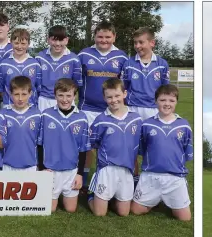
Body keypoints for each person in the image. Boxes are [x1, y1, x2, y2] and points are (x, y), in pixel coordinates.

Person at [77, 21, 129, 190]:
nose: (104, 40)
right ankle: (83, 179)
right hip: (87, 108)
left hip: (112, 109)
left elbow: (124, 86)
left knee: (110, 145)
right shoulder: (84, 54)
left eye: (108, 37)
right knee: (86, 146)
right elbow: (76, 82)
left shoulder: (122, 57)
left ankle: (105, 179)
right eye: (100, 36)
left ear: (114, 36)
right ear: (95, 36)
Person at [132, 84, 195, 221]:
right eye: (162, 100)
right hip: (151, 175)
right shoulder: (147, 124)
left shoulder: (184, 125)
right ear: (156, 101)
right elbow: (142, 149)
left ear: (176, 102)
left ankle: (170, 196)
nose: (167, 104)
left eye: (171, 101)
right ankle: (156, 198)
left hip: (174, 177)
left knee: (185, 218)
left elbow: (186, 151)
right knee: (136, 211)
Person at [86, 78, 142, 217]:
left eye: (117, 96)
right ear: (104, 98)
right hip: (107, 169)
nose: (114, 100)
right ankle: (91, 196)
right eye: (109, 97)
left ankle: (109, 198)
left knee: (124, 213)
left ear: (124, 94)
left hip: (126, 170)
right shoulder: (100, 120)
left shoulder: (136, 119)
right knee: (100, 214)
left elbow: (136, 147)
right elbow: (93, 144)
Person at [37, 78, 90, 213]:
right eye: (61, 95)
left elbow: (83, 149)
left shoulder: (82, 117)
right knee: (50, 210)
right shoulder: (46, 115)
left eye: (68, 95)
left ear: (74, 96)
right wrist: (42, 168)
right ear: (55, 95)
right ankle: (55, 194)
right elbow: (39, 144)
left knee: (71, 209)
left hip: (71, 170)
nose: (65, 99)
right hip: (51, 169)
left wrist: (79, 174)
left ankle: (86, 195)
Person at [122, 27, 170, 120]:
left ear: (152, 43)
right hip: (132, 108)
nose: (137, 46)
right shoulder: (128, 64)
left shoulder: (162, 64)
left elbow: (165, 90)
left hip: (154, 109)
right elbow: (123, 88)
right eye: (135, 42)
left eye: (141, 42)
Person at [35, 25, 82, 111]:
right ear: (48, 39)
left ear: (67, 40)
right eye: (54, 39)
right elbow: (36, 83)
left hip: (66, 101)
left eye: (61, 40)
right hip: (44, 101)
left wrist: (67, 96)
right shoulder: (40, 57)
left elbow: (76, 84)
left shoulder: (74, 59)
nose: (57, 44)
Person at [0, 76, 42, 171]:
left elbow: (40, 143)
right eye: (16, 94)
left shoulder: (37, 114)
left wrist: (41, 165)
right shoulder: (3, 114)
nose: (20, 98)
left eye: (24, 94)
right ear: (10, 94)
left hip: (30, 166)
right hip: (7, 165)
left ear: (30, 94)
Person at [0, 28, 42, 109]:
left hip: (30, 108)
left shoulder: (35, 64)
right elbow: (0, 88)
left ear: (28, 44)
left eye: (23, 43)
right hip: (9, 107)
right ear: (11, 42)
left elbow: (38, 88)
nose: (19, 47)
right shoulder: (4, 64)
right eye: (16, 43)